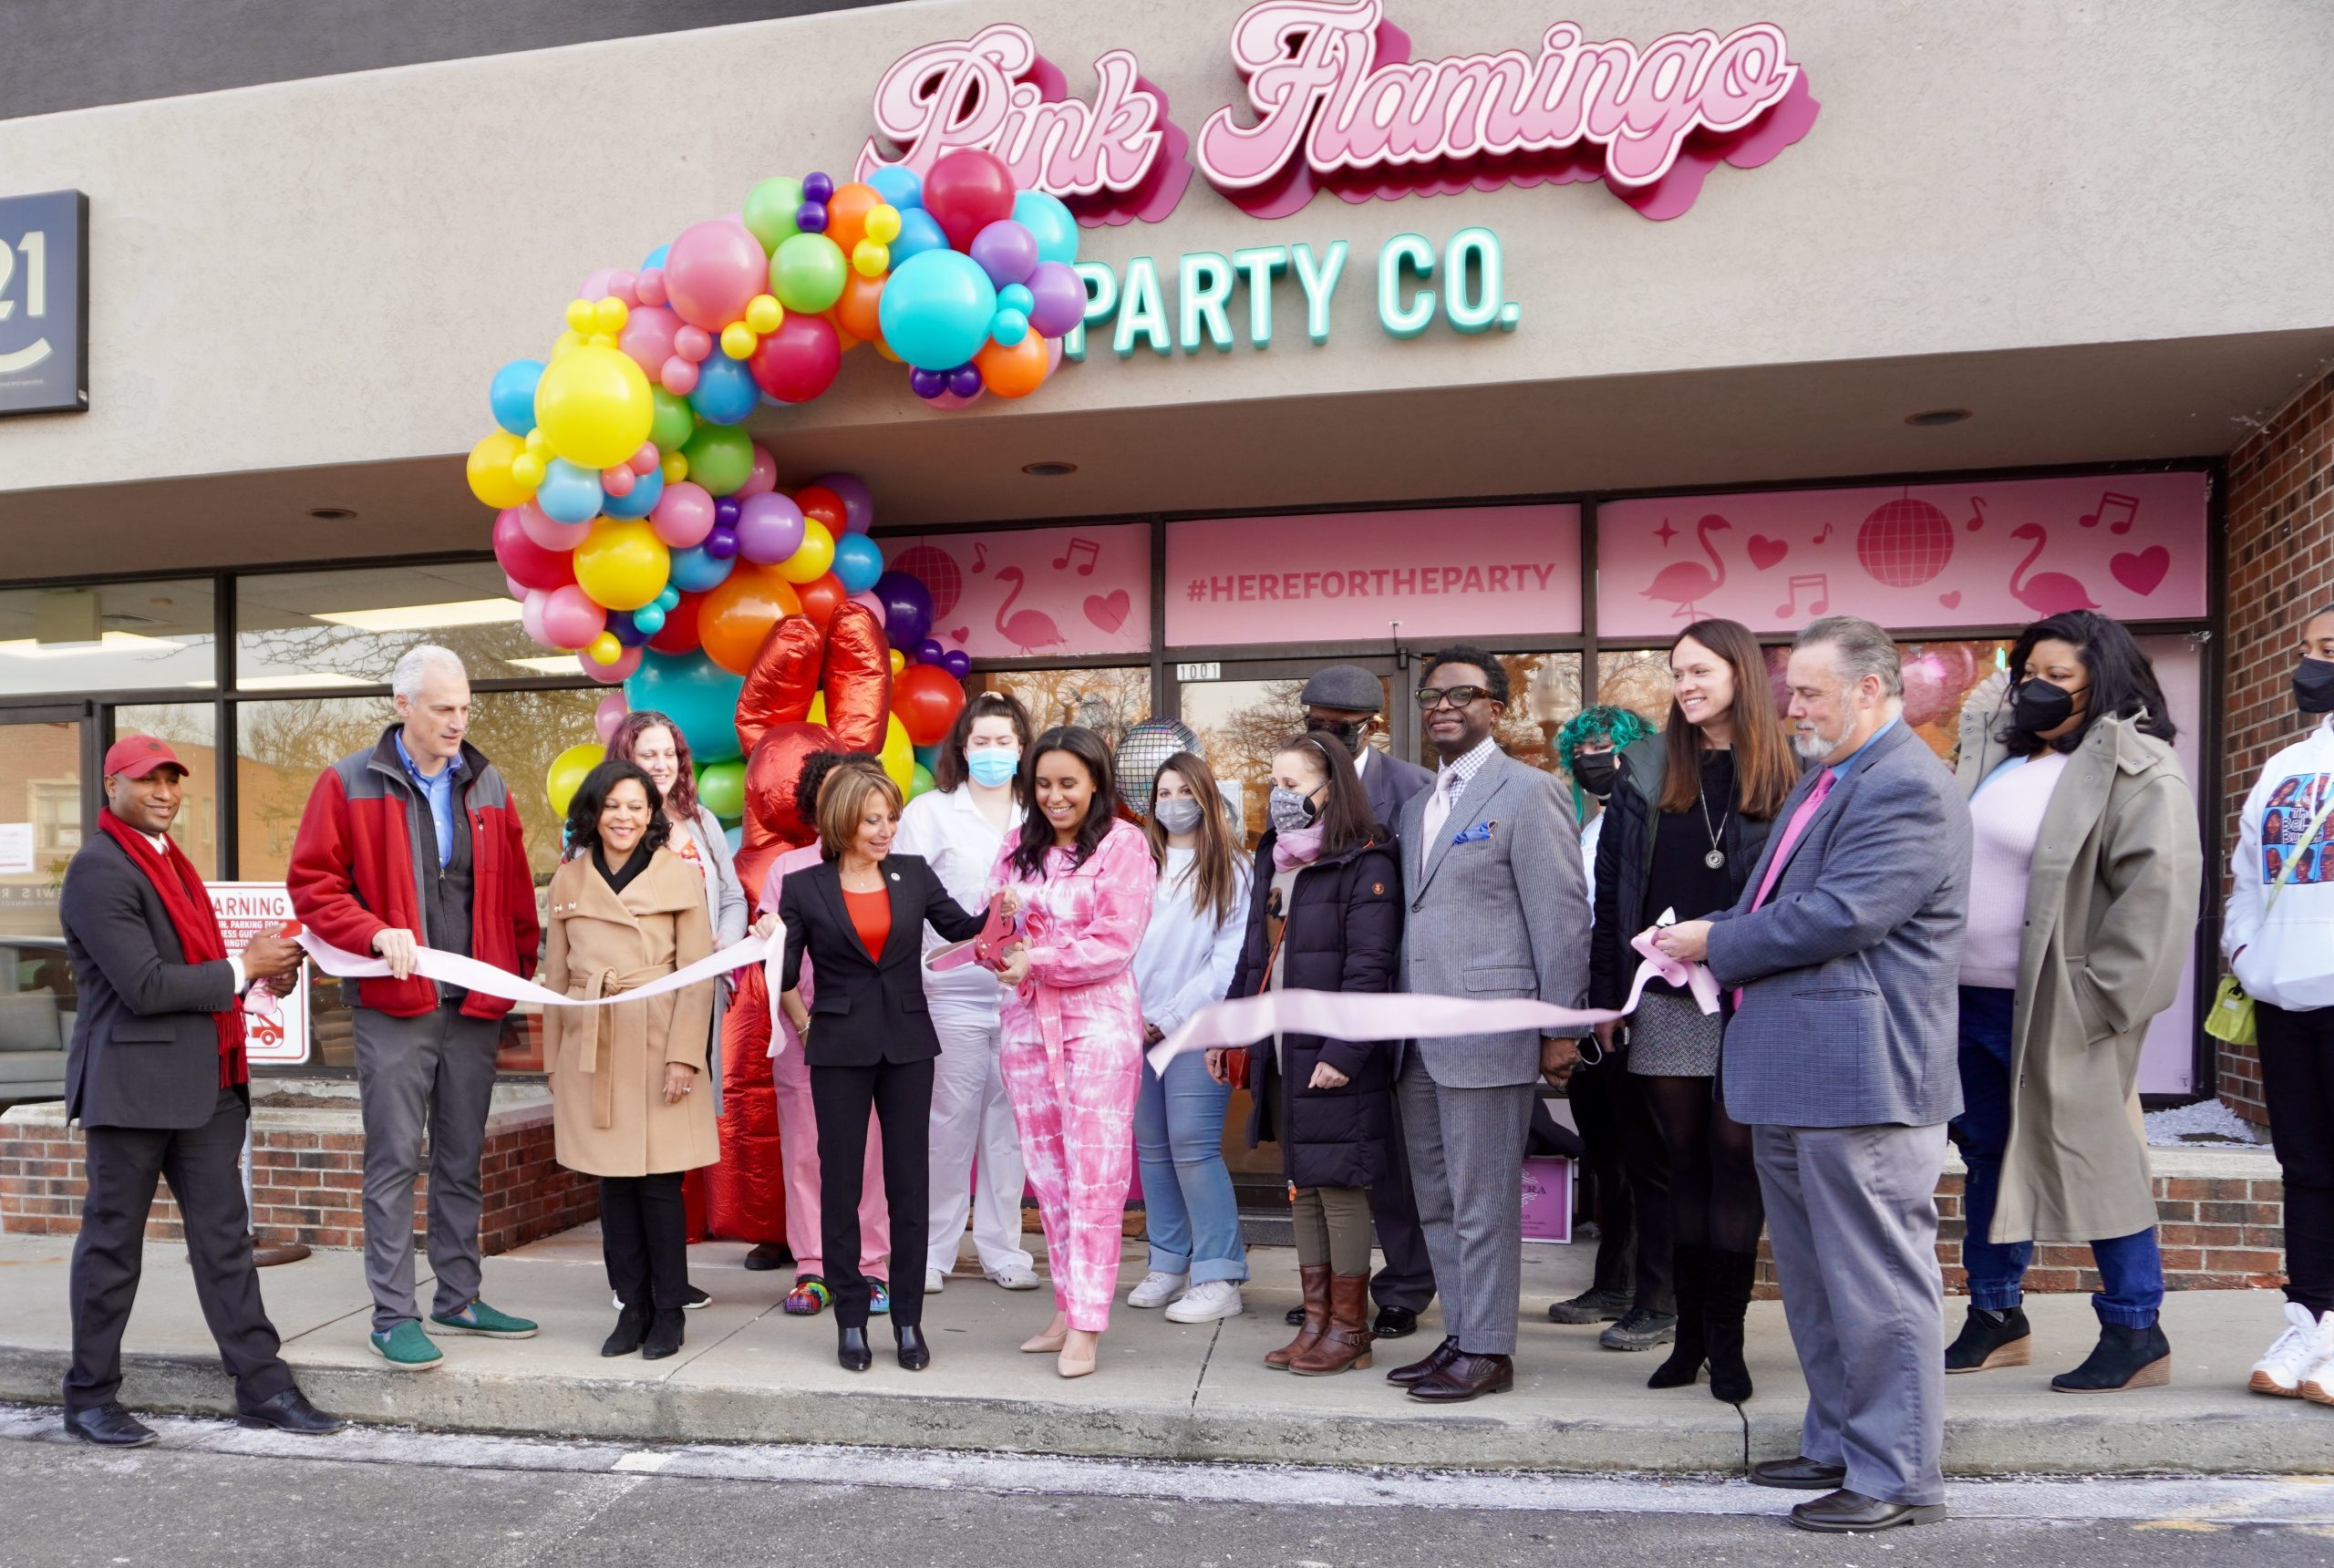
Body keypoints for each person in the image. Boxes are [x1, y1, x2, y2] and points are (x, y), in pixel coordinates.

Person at [1655, 616, 1967, 1534]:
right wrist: (1700, 934)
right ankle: (1839, 1443)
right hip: (1803, 1076)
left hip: (1863, 1079)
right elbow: (1779, 901)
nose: (1790, 706)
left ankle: (1898, 1473)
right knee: (1821, 1283)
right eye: (1792, 690)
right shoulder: (1832, 779)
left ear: (1871, 689)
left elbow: (1842, 915)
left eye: (1809, 692)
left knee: (1876, 1287)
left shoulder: (1906, 785)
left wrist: (1718, 941)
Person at [57, 736, 342, 1447]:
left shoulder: (169, 862)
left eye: (172, 781)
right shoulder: (98, 869)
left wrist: (267, 973)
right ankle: (89, 1397)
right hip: (131, 1089)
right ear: (112, 785)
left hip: (206, 1085)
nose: (164, 793)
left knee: (223, 1244)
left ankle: (262, 1386)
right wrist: (242, 966)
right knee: (112, 1248)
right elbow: (146, 985)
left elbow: (202, 968)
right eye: (147, 780)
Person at [1947, 613, 2201, 1392]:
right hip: (1968, 1001)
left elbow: (2156, 898)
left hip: (2061, 1008)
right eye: (2030, 671)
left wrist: (2098, 1006)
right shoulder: (2000, 759)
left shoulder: (2137, 766)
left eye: (2059, 676)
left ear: (2104, 682)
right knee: (1987, 1157)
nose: (2037, 687)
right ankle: (1996, 1316)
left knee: (2098, 1160)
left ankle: (2135, 1329)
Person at [288, 645, 541, 1370]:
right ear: (403, 707)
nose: (458, 722)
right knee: (396, 1158)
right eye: (442, 709)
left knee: (462, 1159)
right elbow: (312, 886)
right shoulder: (347, 784)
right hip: (393, 1007)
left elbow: (518, 896)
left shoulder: (488, 784)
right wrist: (371, 931)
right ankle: (392, 1314)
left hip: (473, 1006)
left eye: (464, 708)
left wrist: (515, 981)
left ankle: (458, 1296)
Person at [1593, 622, 1792, 1402]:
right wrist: (1607, 997)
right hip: (1668, 997)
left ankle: (1730, 1343)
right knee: (1680, 1168)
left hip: (1755, 994)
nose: (1686, 685)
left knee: (1735, 1160)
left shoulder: (1794, 771)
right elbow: (1613, 894)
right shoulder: (1645, 768)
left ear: (1740, 672)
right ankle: (1685, 1337)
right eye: (1677, 673)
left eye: (1700, 670)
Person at [1389, 645, 1589, 1404]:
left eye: (1460, 694)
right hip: (1417, 1035)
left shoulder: (1530, 792)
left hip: (1489, 1030)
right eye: (1431, 697)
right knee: (1437, 1198)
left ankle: (1490, 1350)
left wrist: (1560, 1026)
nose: (1442, 705)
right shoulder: (1417, 806)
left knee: (1482, 1200)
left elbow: (1562, 916)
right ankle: (1464, 1331)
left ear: (1495, 710)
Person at [778, 763, 990, 1373]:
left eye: (891, 818)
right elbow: (787, 977)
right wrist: (771, 938)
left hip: (907, 1047)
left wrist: (1007, 906)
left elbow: (966, 931)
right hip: (838, 1048)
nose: (886, 829)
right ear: (843, 819)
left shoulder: (914, 875)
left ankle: (906, 1321)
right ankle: (850, 1320)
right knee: (841, 1189)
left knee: (908, 1189)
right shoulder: (806, 887)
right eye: (873, 819)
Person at [1213, 732, 1401, 1375]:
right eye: (1275, 783)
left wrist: (1344, 1050)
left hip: (1334, 1050)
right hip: (1284, 1047)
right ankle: (1317, 1321)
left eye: (1293, 785)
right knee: (1304, 1184)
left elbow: (1371, 967)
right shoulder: (1278, 859)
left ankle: (1350, 1329)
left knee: (1340, 1185)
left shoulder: (1367, 862)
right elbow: (1252, 957)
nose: (1280, 796)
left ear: (1332, 788)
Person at [540, 760, 740, 1361]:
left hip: (659, 1046)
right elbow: (554, 979)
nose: (624, 817)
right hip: (592, 1044)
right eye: (613, 806)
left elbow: (696, 978)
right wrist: (554, 1060)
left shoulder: (677, 877)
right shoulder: (567, 882)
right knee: (614, 1186)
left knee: (659, 1185)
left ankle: (669, 1310)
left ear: (652, 815)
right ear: (592, 812)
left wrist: (685, 1057)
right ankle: (631, 1307)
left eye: (636, 806)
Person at [988, 727, 1159, 1378]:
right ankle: (1065, 1308)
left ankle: (1088, 1324)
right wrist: (999, 948)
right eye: (1044, 784)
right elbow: (997, 924)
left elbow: (1116, 940)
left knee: (1095, 1175)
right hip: (1027, 1025)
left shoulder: (1124, 845)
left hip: (1098, 1023)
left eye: (1069, 783)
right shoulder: (1016, 847)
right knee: (1050, 1175)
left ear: (1095, 783)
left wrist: (1040, 958)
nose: (1055, 797)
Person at [1299, 664, 1438, 1340]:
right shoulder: (1295, 784)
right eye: (1313, 723)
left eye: (1337, 726)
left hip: (1391, 994)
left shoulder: (1415, 790)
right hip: (1315, 1000)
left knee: (1396, 1160)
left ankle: (1406, 1286)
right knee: (1329, 1160)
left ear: (1371, 727)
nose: (1323, 735)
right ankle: (1330, 1292)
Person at [894, 692, 1040, 1297]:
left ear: (1022, 748)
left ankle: (1004, 1250)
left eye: (1004, 742)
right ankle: (932, 1252)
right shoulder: (929, 813)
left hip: (1024, 993)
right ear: (961, 747)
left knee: (1010, 1131)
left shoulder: (1039, 815)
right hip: (950, 989)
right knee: (947, 1126)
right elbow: (902, 899)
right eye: (980, 741)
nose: (992, 753)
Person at [604, 709, 747, 1313]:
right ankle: (631, 1282)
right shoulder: (611, 826)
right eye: (648, 754)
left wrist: (724, 946)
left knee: (677, 1140)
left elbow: (734, 896)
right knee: (632, 1143)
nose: (661, 765)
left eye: (668, 754)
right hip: (637, 1005)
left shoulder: (702, 821)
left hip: (698, 1001)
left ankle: (669, 1275)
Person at [2227, 603, 2334, 1404]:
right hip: (2282, 993)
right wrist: (2243, 954)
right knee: (2304, 1167)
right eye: (2308, 650)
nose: (2311, 667)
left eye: (2327, 650)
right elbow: (2249, 875)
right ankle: (2311, 1318)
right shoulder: (2287, 763)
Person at [762, 751, 895, 1319]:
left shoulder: (890, 868)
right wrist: (806, 1026)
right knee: (806, 1155)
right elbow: (775, 961)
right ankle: (813, 1268)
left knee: (868, 1153)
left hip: (870, 1035)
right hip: (804, 1035)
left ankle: (870, 1269)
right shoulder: (788, 871)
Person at [1546, 704, 1665, 1336]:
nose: (1595, 759)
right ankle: (1612, 1282)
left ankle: (1654, 1291)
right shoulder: (1580, 828)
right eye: (1584, 749)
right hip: (1588, 1006)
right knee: (1606, 1154)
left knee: (1647, 1153)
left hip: (1638, 1004)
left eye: (1608, 747)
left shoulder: (1648, 822)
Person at [1129, 751, 1252, 1324]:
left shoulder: (1234, 869)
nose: (1172, 802)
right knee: (1151, 1148)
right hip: (1130, 1024)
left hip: (1195, 1028)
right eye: (1163, 792)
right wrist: (1131, 1013)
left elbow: (1226, 963)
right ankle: (1168, 1259)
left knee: (1193, 1146)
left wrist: (1169, 1016)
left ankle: (1220, 1273)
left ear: (1205, 796)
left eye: (1184, 791)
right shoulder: (1134, 860)